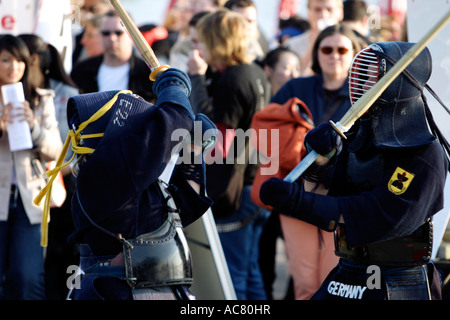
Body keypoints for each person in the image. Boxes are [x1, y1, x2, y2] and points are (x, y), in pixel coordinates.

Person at [260, 41, 450, 300]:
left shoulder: (423, 153)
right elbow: (329, 200)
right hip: (349, 272)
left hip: (399, 284)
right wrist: (319, 164)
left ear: (399, 82)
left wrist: (297, 202)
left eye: (374, 76)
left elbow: (380, 213)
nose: (363, 84)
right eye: (363, 74)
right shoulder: (358, 141)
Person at [41, 67, 215, 300]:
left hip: (148, 289)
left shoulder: (124, 173)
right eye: (132, 102)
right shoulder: (107, 169)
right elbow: (174, 121)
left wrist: (193, 149)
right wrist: (173, 86)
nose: (139, 101)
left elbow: (179, 212)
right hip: (122, 291)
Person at [263, 24, 362, 300]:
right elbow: (266, 131)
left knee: (336, 283)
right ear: (316, 53)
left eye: (342, 49)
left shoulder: (365, 96)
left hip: (341, 201)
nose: (334, 55)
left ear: (354, 53)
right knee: (305, 284)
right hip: (296, 197)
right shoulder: (296, 87)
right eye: (326, 49)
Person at [187, 8, 271, 300]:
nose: (198, 47)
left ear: (217, 41)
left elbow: (215, 143)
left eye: (202, 41)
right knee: (249, 271)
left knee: (232, 274)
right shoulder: (255, 72)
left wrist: (196, 79)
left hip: (236, 190)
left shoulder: (232, 80)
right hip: (257, 182)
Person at [18, 33, 81, 300]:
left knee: (58, 257)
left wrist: (52, 175)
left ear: (30, 60)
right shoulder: (10, 93)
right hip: (22, 189)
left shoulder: (65, 94)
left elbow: (71, 149)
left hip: (59, 190)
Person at [0, 34, 63, 300]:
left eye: (19, 61)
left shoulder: (40, 99)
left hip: (31, 199)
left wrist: (33, 127)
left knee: (27, 277)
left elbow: (58, 152)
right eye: (5, 60)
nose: (13, 67)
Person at [254, 46, 300, 299]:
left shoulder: (300, 103)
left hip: (293, 192)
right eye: (286, 67)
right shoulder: (261, 102)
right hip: (264, 191)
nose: (292, 74)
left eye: (296, 67)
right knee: (263, 258)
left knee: (298, 260)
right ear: (268, 71)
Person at [71, 9, 156, 103]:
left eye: (118, 33)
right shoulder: (81, 71)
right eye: (106, 33)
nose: (112, 38)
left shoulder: (148, 74)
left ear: (131, 35)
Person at [285, 0, 343, 76]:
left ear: (340, 13)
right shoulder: (292, 45)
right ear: (308, 13)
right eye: (317, 10)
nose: (323, 15)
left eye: (329, 9)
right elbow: (295, 79)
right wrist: (313, 47)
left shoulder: (351, 43)